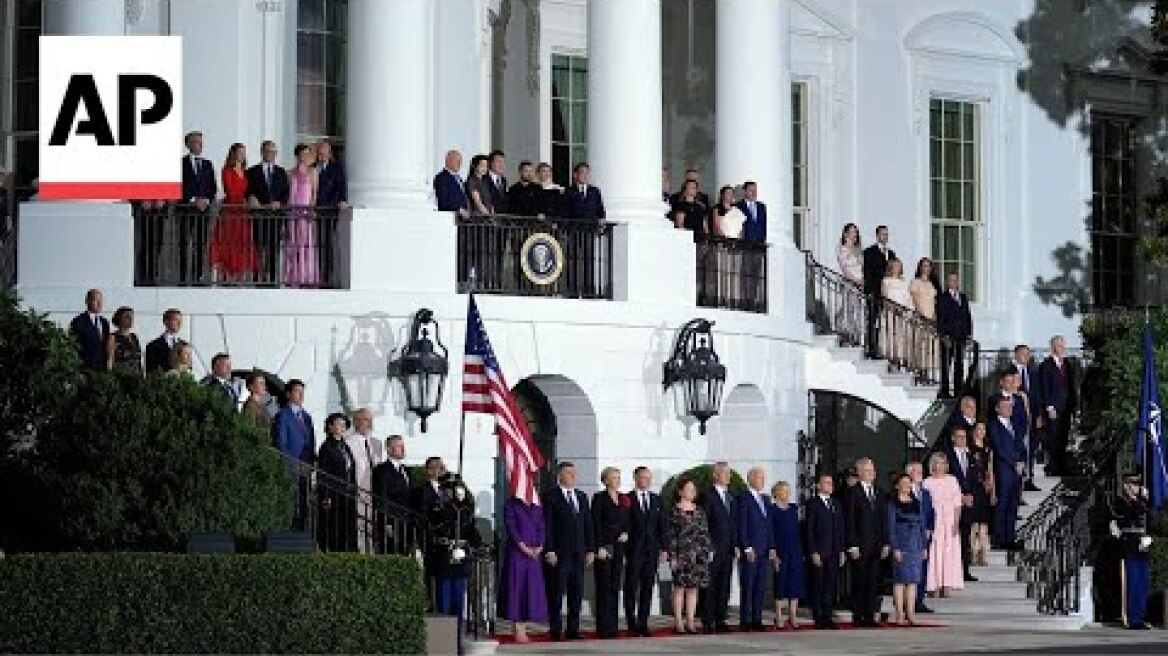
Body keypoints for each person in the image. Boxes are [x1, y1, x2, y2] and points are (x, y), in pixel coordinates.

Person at [541, 461, 594, 641]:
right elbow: (547, 525)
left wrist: (590, 549)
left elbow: (588, 525)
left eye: (574, 473)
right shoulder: (550, 496)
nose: (573, 476)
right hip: (559, 553)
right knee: (556, 592)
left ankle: (573, 628)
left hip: (579, 553)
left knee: (576, 593)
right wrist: (549, 550)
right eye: (569, 473)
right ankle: (555, 629)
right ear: (560, 476)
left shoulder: (581, 497)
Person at [845, 457, 889, 627]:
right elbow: (850, 521)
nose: (873, 473)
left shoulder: (879, 492)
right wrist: (852, 544)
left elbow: (883, 519)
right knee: (859, 582)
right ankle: (858, 616)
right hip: (859, 545)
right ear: (860, 472)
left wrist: (886, 542)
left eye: (873, 470)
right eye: (869, 470)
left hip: (876, 545)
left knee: (872, 582)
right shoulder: (852, 493)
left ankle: (870, 616)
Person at [624, 465, 666, 637]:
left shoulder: (656, 499)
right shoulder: (626, 499)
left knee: (647, 588)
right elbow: (625, 524)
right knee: (631, 588)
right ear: (635, 478)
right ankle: (631, 622)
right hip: (634, 551)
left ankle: (643, 622)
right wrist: (625, 552)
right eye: (643, 477)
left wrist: (664, 548)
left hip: (651, 551)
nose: (647, 481)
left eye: (649, 478)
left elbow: (662, 526)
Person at [667, 476, 712, 635]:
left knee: (693, 589)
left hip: (699, 555)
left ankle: (691, 621)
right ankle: (678, 621)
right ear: (680, 491)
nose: (692, 492)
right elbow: (671, 535)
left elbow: (705, 533)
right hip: (681, 555)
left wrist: (708, 551)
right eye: (688, 489)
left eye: (694, 489)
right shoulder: (674, 510)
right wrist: (672, 556)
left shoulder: (699, 510)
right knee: (679, 589)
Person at [209, 143, 258, 282]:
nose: (242, 155)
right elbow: (229, 190)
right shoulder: (227, 170)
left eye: (244, 152)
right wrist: (242, 202)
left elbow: (247, 191)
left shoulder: (245, 171)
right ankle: (226, 275)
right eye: (240, 152)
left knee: (242, 242)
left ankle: (239, 275)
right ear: (233, 153)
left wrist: (249, 200)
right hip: (230, 210)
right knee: (227, 241)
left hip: (242, 212)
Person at [591, 466, 630, 639]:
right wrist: (599, 546)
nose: (617, 480)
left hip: (619, 546)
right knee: (604, 587)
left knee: (615, 587)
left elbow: (628, 519)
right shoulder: (599, 498)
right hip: (605, 547)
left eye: (618, 477)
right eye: (613, 477)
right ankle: (603, 627)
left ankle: (613, 626)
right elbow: (596, 523)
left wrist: (626, 532)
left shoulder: (623, 498)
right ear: (605, 480)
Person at [502, 493, 547, 643]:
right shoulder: (511, 504)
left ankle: (525, 625)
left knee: (531, 590)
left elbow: (542, 525)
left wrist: (540, 545)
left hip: (534, 554)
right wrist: (523, 546)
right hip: (518, 553)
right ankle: (518, 628)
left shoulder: (536, 505)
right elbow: (511, 527)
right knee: (517, 589)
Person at [699, 461, 737, 633]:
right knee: (710, 585)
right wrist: (708, 547)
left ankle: (720, 619)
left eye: (729, 473)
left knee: (724, 584)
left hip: (728, 548)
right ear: (715, 475)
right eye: (724, 473)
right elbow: (703, 523)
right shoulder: (707, 495)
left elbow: (734, 523)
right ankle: (708, 620)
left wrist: (736, 544)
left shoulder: (731, 496)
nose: (728, 476)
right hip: (713, 548)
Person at [245, 140, 290, 283]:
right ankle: (257, 278)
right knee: (258, 248)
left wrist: (280, 202)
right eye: (268, 151)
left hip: (276, 216)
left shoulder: (281, 172)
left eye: (273, 152)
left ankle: (271, 279)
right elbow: (247, 191)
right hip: (259, 215)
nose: (271, 154)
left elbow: (286, 193)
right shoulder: (251, 172)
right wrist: (251, 197)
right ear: (262, 152)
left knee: (273, 248)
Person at [1112, 472, 1152, 630]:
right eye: (1132, 484)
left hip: (1142, 544)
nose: (1136, 487)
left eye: (1137, 483)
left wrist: (1144, 500)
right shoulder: (1119, 502)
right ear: (1125, 485)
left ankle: (1140, 617)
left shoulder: (1142, 501)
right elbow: (1130, 517)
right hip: (1129, 544)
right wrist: (1136, 500)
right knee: (1131, 582)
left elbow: (1150, 518)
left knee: (1142, 583)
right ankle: (1131, 618)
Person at [887, 473, 928, 626]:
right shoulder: (893, 504)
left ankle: (910, 613)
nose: (906, 485)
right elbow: (891, 528)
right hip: (901, 545)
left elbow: (922, 526)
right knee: (900, 582)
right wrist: (895, 547)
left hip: (915, 545)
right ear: (897, 485)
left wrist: (924, 546)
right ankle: (899, 613)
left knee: (913, 582)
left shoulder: (917, 503)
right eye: (903, 483)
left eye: (908, 483)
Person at [273, 379, 314, 528]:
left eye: (303, 392)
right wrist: (291, 465)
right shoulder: (283, 415)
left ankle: (302, 531)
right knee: (291, 503)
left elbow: (311, 443)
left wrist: (309, 464)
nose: (301, 395)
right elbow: (281, 443)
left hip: (305, 469)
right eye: (297, 391)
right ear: (289, 394)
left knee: (304, 503)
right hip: (290, 467)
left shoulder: (307, 417)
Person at [806, 472, 845, 630]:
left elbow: (840, 529)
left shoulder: (836, 503)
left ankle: (828, 617)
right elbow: (809, 530)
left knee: (830, 586)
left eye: (831, 483)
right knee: (818, 586)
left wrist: (841, 550)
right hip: (820, 552)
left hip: (834, 552)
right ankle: (818, 617)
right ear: (819, 486)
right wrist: (813, 551)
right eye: (827, 483)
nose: (830, 485)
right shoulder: (813, 504)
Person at [922, 452, 964, 595]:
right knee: (935, 552)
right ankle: (934, 585)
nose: (939, 466)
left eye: (942, 463)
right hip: (935, 520)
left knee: (949, 552)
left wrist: (956, 523)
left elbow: (958, 503)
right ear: (932, 465)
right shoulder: (927, 482)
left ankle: (947, 585)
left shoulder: (952, 480)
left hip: (950, 519)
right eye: (936, 463)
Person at [737, 466, 773, 631]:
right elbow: (742, 524)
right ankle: (745, 620)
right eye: (759, 477)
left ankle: (757, 619)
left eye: (763, 477)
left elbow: (768, 525)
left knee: (760, 586)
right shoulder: (743, 498)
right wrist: (746, 547)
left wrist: (772, 547)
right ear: (750, 479)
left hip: (764, 549)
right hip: (751, 550)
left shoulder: (765, 499)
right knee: (748, 585)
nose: (762, 480)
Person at [178, 131, 217, 284]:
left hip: (204, 211)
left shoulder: (208, 164)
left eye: (201, 142)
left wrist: (206, 200)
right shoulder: (181, 163)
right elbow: (179, 185)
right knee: (183, 243)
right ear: (187, 144)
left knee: (200, 244)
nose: (199, 145)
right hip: (186, 209)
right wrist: (194, 200)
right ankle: (182, 278)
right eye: (195, 142)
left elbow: (212, 187)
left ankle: (197, 277)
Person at [317, 413, 358, 552]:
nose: (342, 427)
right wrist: (326, 495)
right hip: (334, 494)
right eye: (338, 424)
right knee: (335, 527)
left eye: (344, 425)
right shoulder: (326, 447)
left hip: (347, 494)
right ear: (330, 427)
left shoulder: (344, 445)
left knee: (348, 527)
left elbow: (350, 468)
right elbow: (323, 473)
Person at [1038, 335, 1077, 477]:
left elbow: (1071, 385)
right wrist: (1049, 406)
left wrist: (1073, 405)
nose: (1062, 348)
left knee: (1063, 438)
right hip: (1054, 408)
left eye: (1063, 345)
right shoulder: (1046, 365)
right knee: (1053, 438)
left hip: (1066, 408)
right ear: (1053, 347)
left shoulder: (1067, 364)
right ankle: (1052, 467)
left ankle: (1061, 466)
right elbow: (1044, 387)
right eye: (1059, 346)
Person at [990, 396, 1026, 550]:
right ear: (998, 408)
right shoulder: (994, 426)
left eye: (1010, 407)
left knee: (1013, 504)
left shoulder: (1014, 426)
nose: (1008, 409)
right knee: (1003, 504)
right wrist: (1014, 463)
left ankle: (1010, 538)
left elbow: (1021, 446)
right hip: (1004, 470)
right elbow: (999, 449)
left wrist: (1022, 462)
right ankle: (999, 538)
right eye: (1004, 406)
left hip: (1016, 471)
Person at [943, 426, 977, 582]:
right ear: (953, 438)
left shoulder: (970, 456)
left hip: (968, 503)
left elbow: (974, 478)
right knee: (952, 538)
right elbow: (946, 480)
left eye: (964, 437)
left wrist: (970, 495)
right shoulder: (947, 457)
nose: (962, 439)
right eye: (959, 436)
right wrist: (960, 496)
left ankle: (965, 570)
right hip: (952, 504)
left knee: (965, 537)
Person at [769, 481, 804, 629]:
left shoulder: (793, 509)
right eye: (784, 490)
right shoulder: (772, 510)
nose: (787, 493)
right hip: (780, 551)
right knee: (780, 583)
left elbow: (798, 531)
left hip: (795, 550)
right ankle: (778, 617)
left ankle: (793, 616)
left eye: (788, 491)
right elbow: (770, 532)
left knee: (794, 584)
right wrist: (774, 553)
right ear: (776, 492)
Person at [284, 143, 320, 288]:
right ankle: (292, 276)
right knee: (293, 243)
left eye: (307, 153)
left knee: (306, 243)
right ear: (297, 155)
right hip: (293, 213)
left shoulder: (313, 171)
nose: (305, 156)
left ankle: (307, 276)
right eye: (303, 153)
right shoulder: (290, 173)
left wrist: (311, 209)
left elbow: (314, 193)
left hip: (305, 213)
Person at [371, 435, 412, 553]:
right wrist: (387, 523)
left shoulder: (406, 470)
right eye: (399, 446)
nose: (403, 449)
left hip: (406, 522)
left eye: (403, 446)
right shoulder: (381, 470)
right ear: (389, 450)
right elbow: (381, 497)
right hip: (391, 522)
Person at [343, 414, 378, 553]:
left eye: (370, 419)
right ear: (355, 422)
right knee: (360, 525)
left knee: (373, 525)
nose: (369, 422)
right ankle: (362, 553)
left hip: (374, 490)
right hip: (358, 489)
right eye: (365, 419)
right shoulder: (348, 442)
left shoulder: (377, 443)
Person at [937, 272, 973, 399]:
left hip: (961, 335)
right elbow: (940, 318)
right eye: (951, 280)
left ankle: (958, 390)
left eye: (956, 280)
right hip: (949, 336)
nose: (954, 282)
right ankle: (945, 389)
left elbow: (967, 316)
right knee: (946, 363)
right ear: (947, 282)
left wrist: (968, 334)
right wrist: (944, 335)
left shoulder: (963, 297)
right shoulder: (943, 297)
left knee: (959, 363)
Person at [905, 462, 935, 614]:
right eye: (916, 471)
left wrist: (930, 528)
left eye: (921, 471)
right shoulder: (904, 492)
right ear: (909, 473)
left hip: (924, 537)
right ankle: (908, 602)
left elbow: (931, 513)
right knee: (909, 570)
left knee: (923, 569)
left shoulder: (926, 493)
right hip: (909, 537)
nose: (920, 473)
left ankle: (919, 601)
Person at [862, 225, 896, 358]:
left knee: (886, 322)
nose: (885, 237)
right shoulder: (869, 252)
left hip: (888, 293)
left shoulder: (891, 253)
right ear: (877, 236)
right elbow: (867, 273)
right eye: (883, 234)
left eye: (887, 234)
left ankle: (884, 348)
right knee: (873, 320)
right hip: (875, 292)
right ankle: (871, 347)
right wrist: (869, 291)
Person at [967, 423, 995, 566]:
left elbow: (990, 471)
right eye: (979, 429)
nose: (981, 432)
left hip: (984, 489)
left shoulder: (988, 449)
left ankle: (983, 554)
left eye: (984, 429)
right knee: (973, 524)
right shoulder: (969, 449)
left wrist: (993, 491)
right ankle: (973, 552)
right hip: (973, 488)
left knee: (983, 523)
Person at [910, 258, 940, 376]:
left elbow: (936, 301)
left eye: (928, 266)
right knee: (920, 344)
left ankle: (928, 372)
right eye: (924, 266)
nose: (926, 268)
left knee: (931, 346)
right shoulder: (915, 281)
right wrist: (921, 313)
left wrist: (934, 316)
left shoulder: (933, 283)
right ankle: (919, 371)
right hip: (921, 316)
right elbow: (914, 299)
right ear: (920, 267)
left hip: (932, 316)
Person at [880, 258, 912, 366]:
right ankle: (890, 357)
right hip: (891, 311)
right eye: (896, 266)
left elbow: (908, 298)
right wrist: (893, 308)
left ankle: (900, 357)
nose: (898, 268)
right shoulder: (886, 281)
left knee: (902, 335)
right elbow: (884, 297)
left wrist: (908, 309)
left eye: (900, 266)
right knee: (890, 334)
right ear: (891, 267)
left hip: (902, 312)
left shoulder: (903, 282)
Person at [836, 223, 864, 345]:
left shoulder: (859, 250)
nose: (855, 234)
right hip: (850, 282)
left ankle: (857, 335)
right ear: (845, 233)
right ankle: (847, 334)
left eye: (856, 232)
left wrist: (863, 281)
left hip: (860, 283)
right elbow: (844, 268)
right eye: (852, 232)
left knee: (859, 309)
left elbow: (862, 267)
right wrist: (855, 281)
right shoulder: (842, 249)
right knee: (849, 308)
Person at [70, 289, 110, 372]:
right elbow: (73, 347)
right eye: (96, 300)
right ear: (87, 301)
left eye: (101, 301)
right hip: (85, 369)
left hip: (102, 370)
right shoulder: (78, 321)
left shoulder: (104, 322)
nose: (99, 304)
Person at [105, 306, 143, 376]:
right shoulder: (113, 337)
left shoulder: (134, 337)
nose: (131, 319)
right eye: (127, 317)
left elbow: (138, 360)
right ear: (119, 319)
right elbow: (110, 360)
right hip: (120, 377)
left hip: (136, 378)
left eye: (132, 317)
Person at [144, 308, 183, 373]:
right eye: (176, 320)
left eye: (180, 320)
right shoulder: (153, 346)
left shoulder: (184, 345)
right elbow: (150, 371)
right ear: (166, 321)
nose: (179, 323)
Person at [434, 150, 469, 217]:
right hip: (450, 218)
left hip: (462, 219)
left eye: (460, 161)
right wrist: (459, 209)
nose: (459, 164)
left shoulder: (459, 178)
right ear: (448, 161)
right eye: (457, 161)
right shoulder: (441, 178)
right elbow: (443, 202)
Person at [241, 371, 272, 436]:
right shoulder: (250, 406)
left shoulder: (261, 405)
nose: (264, 387)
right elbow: (250, 429)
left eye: (264, 384)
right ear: (251, 387)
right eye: (261, 383)